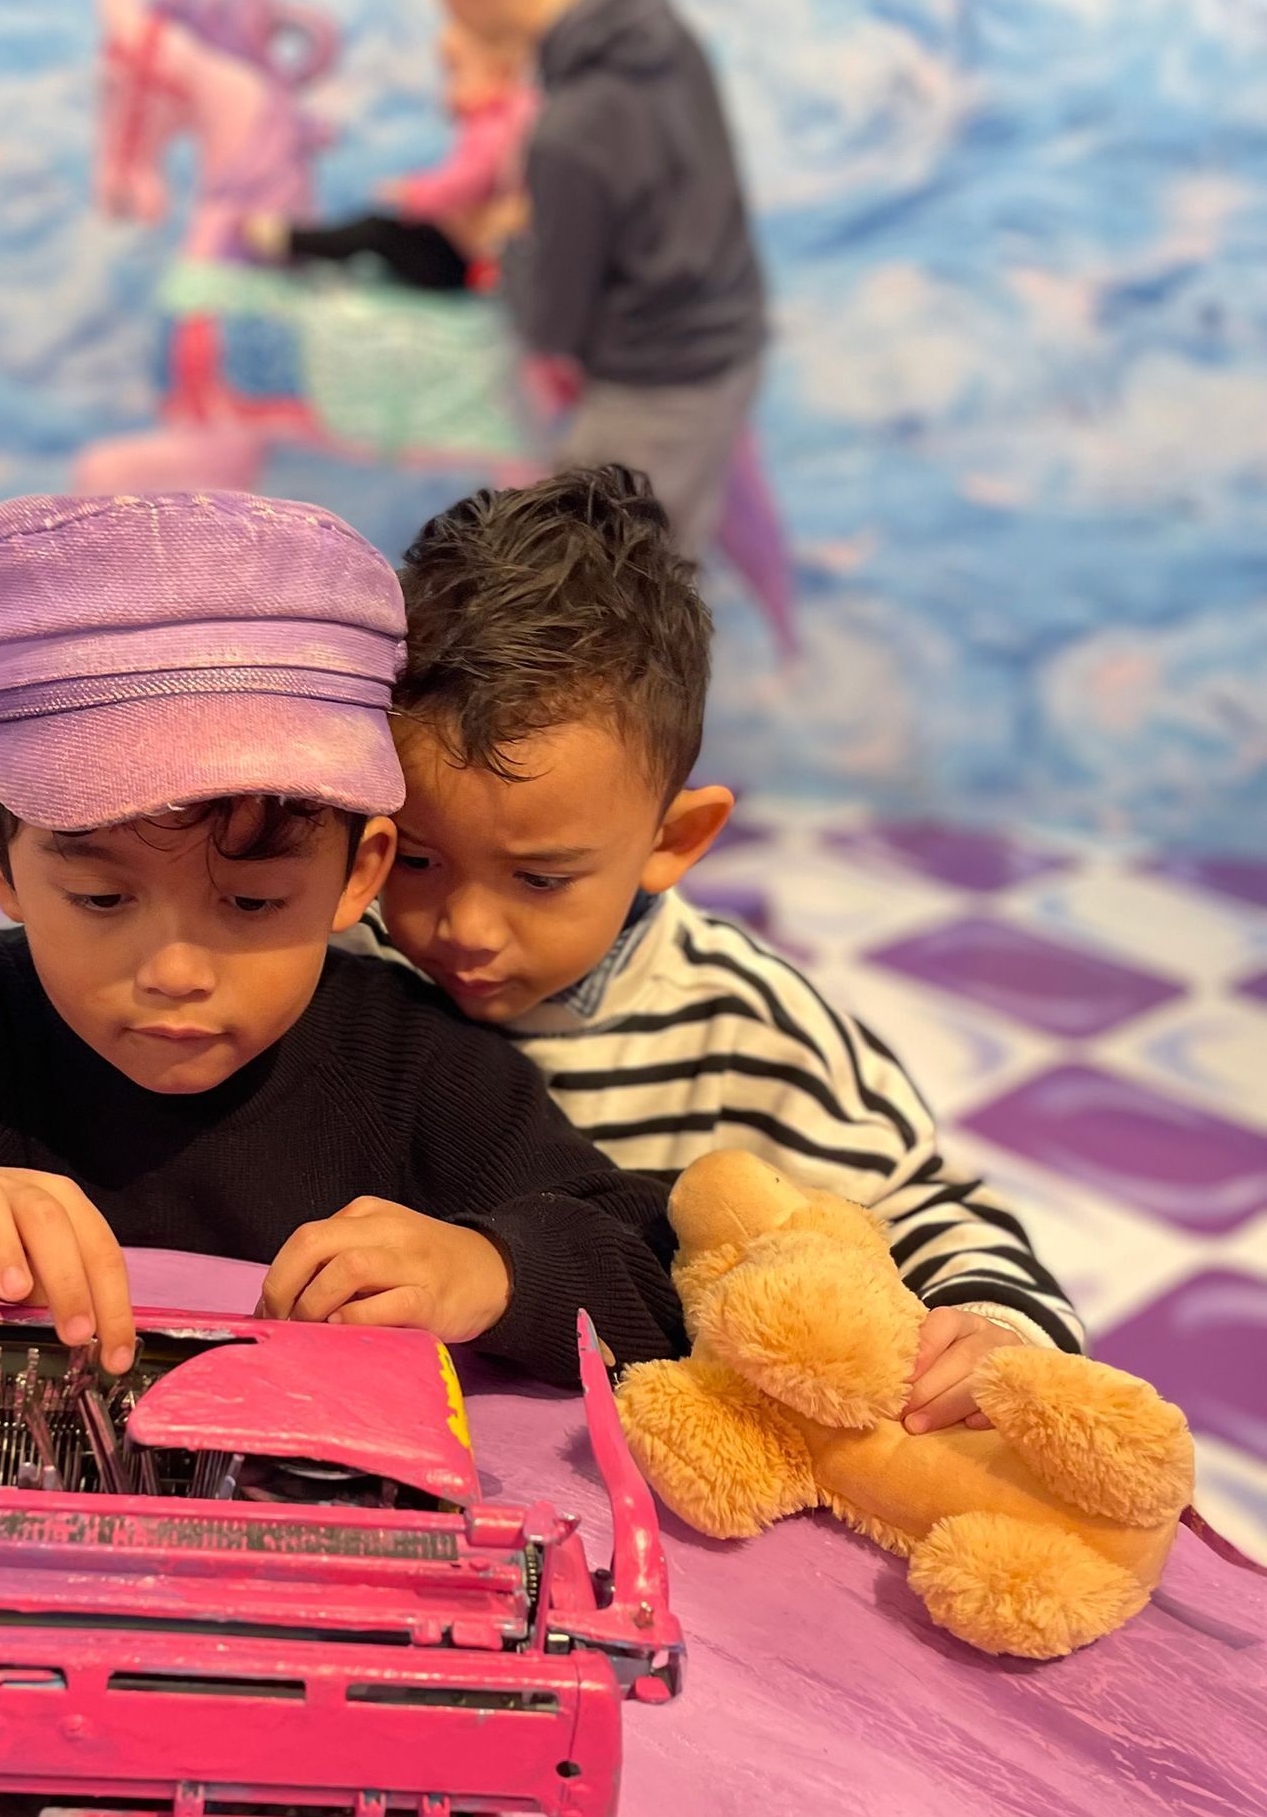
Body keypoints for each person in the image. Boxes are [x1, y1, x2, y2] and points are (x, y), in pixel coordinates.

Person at [0, 491, 686, 1391]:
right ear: (3, 862)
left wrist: (490, 1270)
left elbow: (652, 1275)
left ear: (357, 872)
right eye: (103, 900)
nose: (174, 973)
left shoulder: (420, 1067)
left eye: (251, 905)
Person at [356, 466, 1082, 1433]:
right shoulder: (346, 963)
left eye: (540, 879)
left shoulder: (750, 1025)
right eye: (416, 857)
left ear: (673, 842)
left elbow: (928, 1210)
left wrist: (996, 1329)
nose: (467, 929)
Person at [431, 0, 766, 560]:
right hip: (730, 347)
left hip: (652, 392)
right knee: (668, 567)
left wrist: (503, 244)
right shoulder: (658, 27)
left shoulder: (569, 132)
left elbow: (551, 324)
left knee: (585, 592)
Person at [247, 21, 535, 294]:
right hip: (469, 250)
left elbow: (469, 178)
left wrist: (413, 194)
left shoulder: (496, 126)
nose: (448, 86)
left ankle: (292, 240)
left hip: (465, 259)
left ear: (500, 74)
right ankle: (298, 242)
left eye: (457, 72)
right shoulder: (495, 122)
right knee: (380, 231)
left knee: (376, 231)